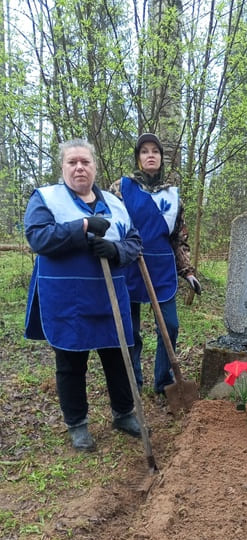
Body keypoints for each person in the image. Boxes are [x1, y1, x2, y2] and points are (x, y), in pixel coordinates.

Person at [24, 139, 143, 452]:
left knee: (118, 357)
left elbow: (134, 241)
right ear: (63, 167)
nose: (79, 167)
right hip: (68, 299)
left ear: (94, 167)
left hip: (109, 296)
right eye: (72, 162)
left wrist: (116, 250)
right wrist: (84, 226)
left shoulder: (115, 204)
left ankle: (123, 413)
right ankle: (77, 424)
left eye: (85, 162)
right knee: (71, 362)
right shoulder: (46, 199)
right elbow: (38, 238)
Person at [110, 133, 201, 396]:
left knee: (170, 325)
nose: (150, 155)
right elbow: (111, 226)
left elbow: (178, 238)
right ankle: (133, 382)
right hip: (129, 265)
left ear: (161, 158)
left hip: (162, 269)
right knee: (131, 330)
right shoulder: (120, 188)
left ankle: (163, 381)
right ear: (138, 158)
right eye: (144, 151)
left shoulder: (173, 195)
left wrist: (188, 272)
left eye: (155, 151)